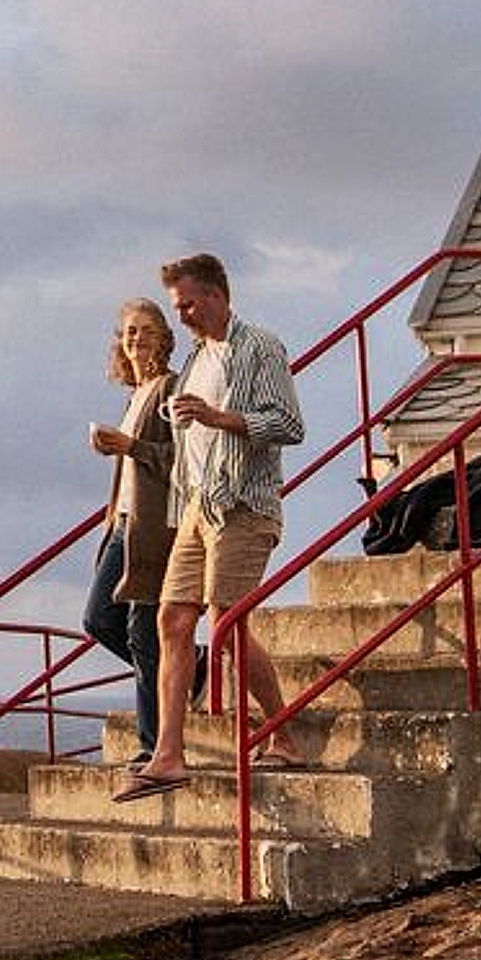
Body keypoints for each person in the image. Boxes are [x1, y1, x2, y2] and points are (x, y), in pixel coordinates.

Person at [116, 251, 308, 799]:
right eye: (178, 306)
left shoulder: (259, 347)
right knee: (172, 621)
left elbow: (291, 424)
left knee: (225, 627)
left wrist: (219, 417)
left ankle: (285, 738)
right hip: (196, 506)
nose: (183, 316)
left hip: (244, 506)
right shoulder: (197, 360)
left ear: (218, 295)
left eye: (189, 304)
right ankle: (168, 756)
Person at [84, 297, 180, 762]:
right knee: (98, 619)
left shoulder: (169, 389)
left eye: (144, 330)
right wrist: (116, 448)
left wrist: (132, 445)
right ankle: (193, 671)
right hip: (122, 525)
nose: (135, 338)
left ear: (163, 337)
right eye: (128, 332)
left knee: (144, 632)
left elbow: (180, 462)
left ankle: (153, 744)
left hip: (152, 529)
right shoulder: (133, 396)